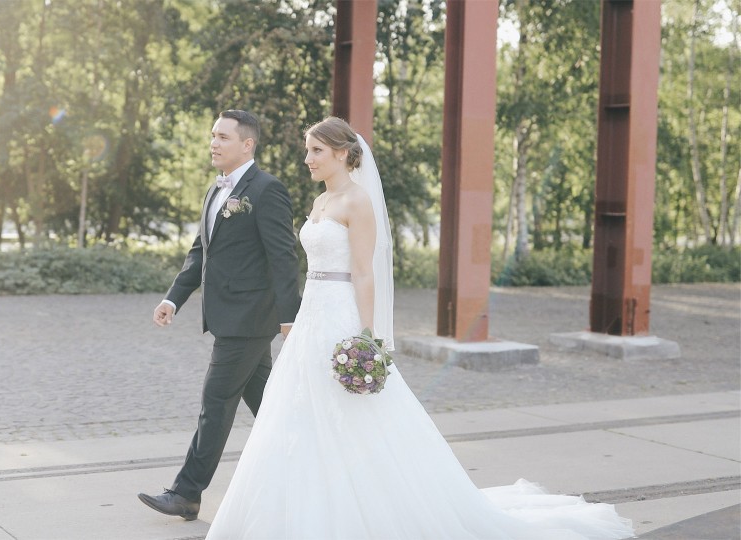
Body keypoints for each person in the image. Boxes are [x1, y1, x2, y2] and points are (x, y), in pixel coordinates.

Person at [205, 117, 635, 539]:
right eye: (307, 150)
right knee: (300, 413)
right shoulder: (319, 203)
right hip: (311, 316)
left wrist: (367, 337)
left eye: (316, 150)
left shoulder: (357, 201)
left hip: (340, 316)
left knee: (356, 414)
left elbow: (364, 272)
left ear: (342, 153)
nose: (307, 159)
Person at [138, 109, 302, 521]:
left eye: (223, 137)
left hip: (249, 320)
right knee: (269, 405)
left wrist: (290, 318)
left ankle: (187, 493)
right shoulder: (216, 191)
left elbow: (284, 258)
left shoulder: (267, 190)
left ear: (247, 144)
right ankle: (314, 464)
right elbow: (201, 253)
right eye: (213, 135)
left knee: (215, 402)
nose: (214, 142)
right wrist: (173, 299)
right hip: (228, 317)